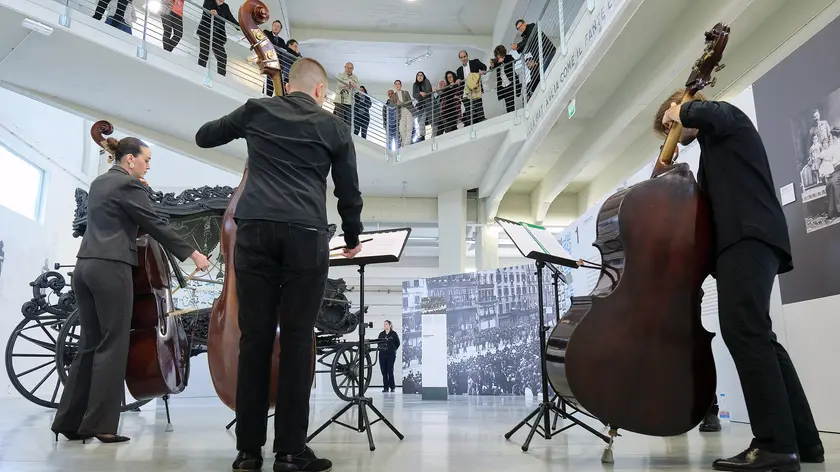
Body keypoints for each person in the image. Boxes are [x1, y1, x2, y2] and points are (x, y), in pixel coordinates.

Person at [195, 57, 363, 472]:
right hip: (306, 236)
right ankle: (290, 453)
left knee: (254, 341)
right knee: (297, 340)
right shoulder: (334, 127)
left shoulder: (257, 109)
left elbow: (204, 136)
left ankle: (248, 452)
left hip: (254, 235)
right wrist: (354, 236)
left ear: (288, 85)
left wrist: (250, 127)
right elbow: (348, 192)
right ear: (322, 91)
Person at [657, 90, 824, 472]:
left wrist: (681, 108)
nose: (670, 134)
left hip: (748, 236)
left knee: (744, 331)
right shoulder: (715, 152)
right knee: (759, 336)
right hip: (751, 238)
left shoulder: (726, 119)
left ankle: (774, 445)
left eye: (669, 127)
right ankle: (803, 441)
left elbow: (710, 112)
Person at [50, 137, 210, 444]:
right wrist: (193, 253)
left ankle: (69, 422)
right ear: (129, 160)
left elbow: (128, 218)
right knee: (113, 345)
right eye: (146, 160)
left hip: (84, 267)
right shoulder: (129, 186)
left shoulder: (99, 183)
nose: (148, 165)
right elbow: (151, 222)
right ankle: (101, 425)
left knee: (89, 345)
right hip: (111, 268)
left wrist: (143, 189)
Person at [378, 320, 400, 392]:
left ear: (390, 325)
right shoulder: (381, 334)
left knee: (390, 370)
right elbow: (378, 343)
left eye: (386, 324)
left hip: (391, 354)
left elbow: (398, 343)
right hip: (382, 354)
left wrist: (393, 349)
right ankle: (385, 388)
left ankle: (392, 387)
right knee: (384, 371)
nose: (385, 325)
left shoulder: (393, 334)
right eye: (384, 324)